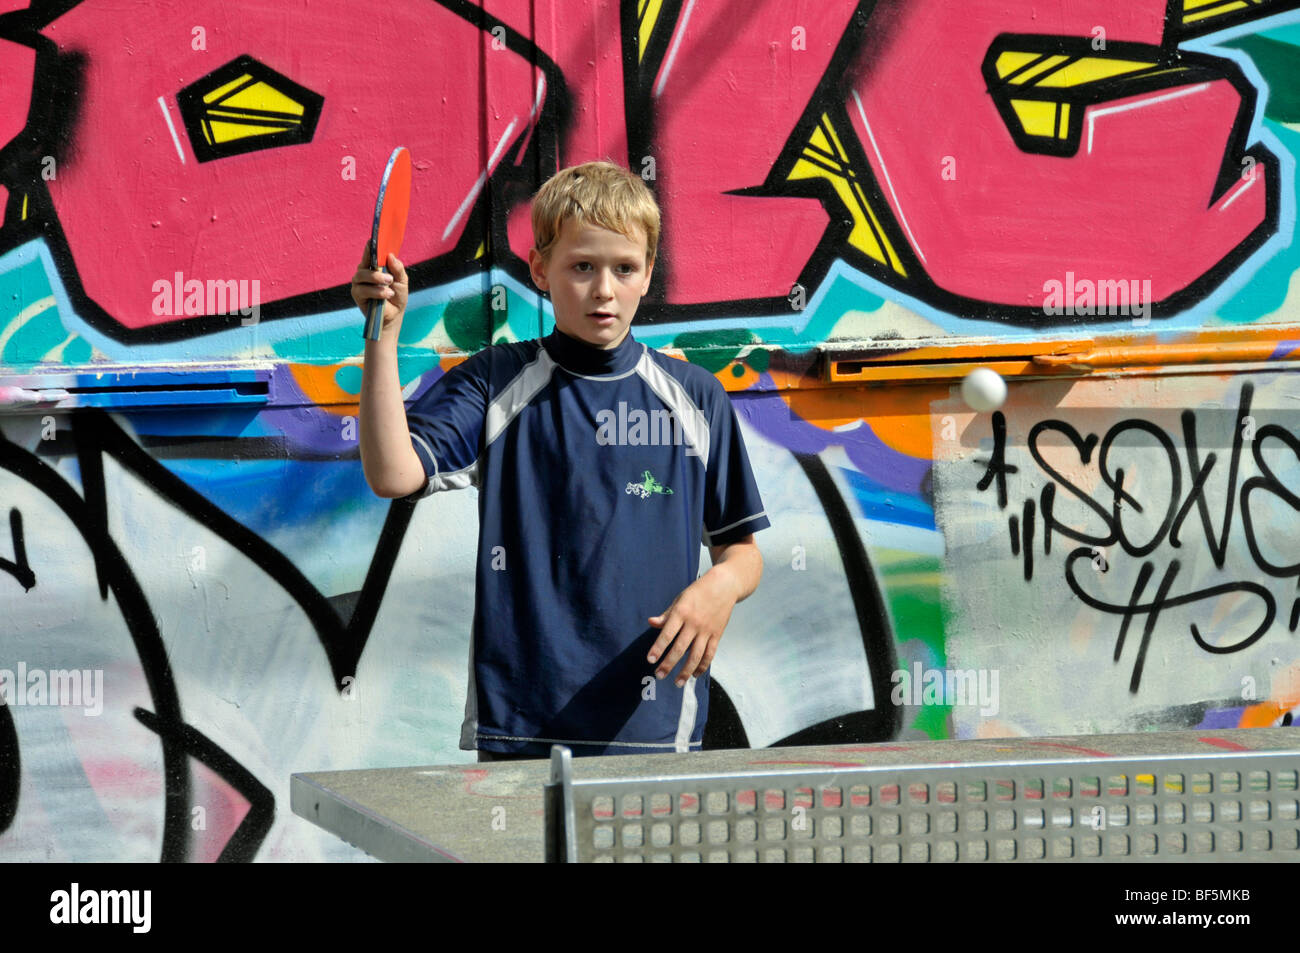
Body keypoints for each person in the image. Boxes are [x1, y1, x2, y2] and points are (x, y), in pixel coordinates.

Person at [352, 160, 768, 760]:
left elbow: (743, 550)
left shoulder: (696, 396)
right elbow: (392, 474)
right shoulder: (496, 380)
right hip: (524, 725)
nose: (604, 289)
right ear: (541, 271)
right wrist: (383, 339)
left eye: (624, 268)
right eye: (582, 267)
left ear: (648, 274)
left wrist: (721, 587)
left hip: (653, 727)